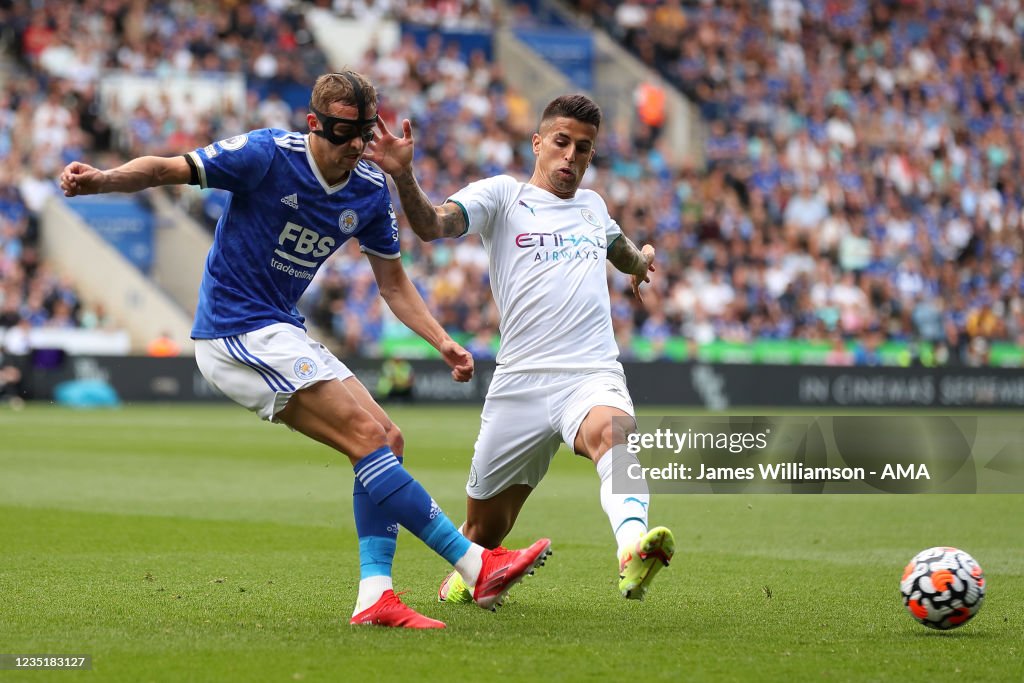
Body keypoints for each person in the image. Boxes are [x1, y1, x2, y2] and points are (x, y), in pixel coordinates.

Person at [59, 70, 552, 629]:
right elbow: (168, 168)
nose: (356, 147)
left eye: (365, 133)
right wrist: (102, 181)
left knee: (387, 438)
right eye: (344, 133)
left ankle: (375, 597)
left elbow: (393, 284)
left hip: (279, 329)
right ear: (315, 123)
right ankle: (474, 564)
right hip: (233, 331)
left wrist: (441, 341)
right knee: (367, 438)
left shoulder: (368, 190)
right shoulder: (266, 155)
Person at [363, 94, 674, 604]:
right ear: (538, 143)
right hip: (520, 384)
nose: (572, 155)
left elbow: (619, 250)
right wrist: (403, 176)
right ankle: (468, 579)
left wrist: (639, 263)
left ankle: (631, 549)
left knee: (613, 432)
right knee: (484, 530)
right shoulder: (502, 197)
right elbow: (431, 226)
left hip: (589, 371)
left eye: (584, 148)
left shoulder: (594, 207)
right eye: (562, 142)